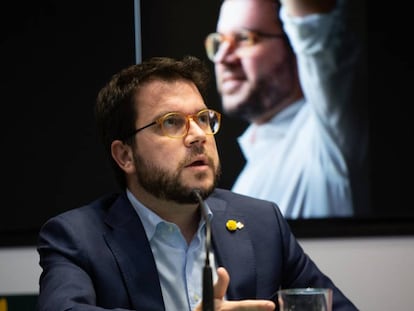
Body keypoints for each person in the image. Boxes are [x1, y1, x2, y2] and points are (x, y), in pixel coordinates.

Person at [36, 56, 358, 311]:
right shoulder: (77, 239)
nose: (198, 135)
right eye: (172, 122)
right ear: (125, 156)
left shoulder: (263, 224)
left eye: (203, 118)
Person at [204, 0, 369, 218]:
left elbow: (313, 25)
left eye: (244, 38)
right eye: (219, 42)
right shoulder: (248, 179)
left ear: (294, 43)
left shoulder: (331, 132)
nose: (223, 58)